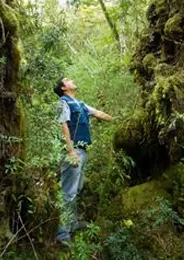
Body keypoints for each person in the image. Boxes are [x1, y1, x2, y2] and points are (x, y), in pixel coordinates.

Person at [53, 77, 112, 243]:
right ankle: (62, 234)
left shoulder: (79, 103)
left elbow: (98, 113)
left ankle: (72, 223)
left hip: (82, 151)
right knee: (68, 192)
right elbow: (63, 125)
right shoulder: (62, 103)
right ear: (64, 88)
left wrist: (117, 118)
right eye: (68, 80)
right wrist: (70, 151)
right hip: (73, 152)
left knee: (76, 189)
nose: (72, 80)